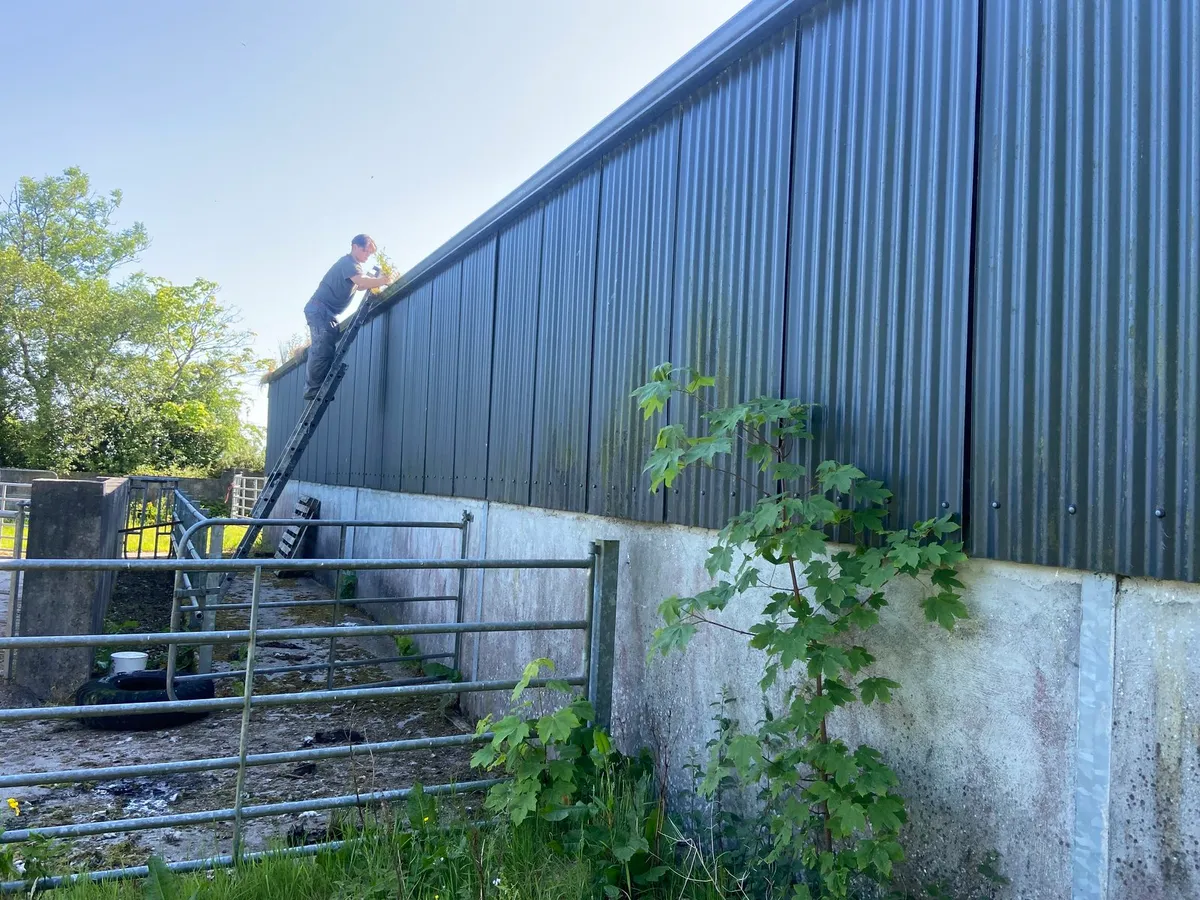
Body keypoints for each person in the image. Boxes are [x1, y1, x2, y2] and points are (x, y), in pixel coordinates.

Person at [303, 234, 395, 400]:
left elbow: (360, 285)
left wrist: (373, 281)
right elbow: (361, 281)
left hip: (325, 311)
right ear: (354, 246)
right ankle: (313, 389)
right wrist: (383, 280)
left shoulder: (354, 267)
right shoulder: (348, 263)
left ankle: (317, 385)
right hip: (319, 309)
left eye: (370, 252)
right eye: (365, 250)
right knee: (321, 346)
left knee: (327, 343)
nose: (367, 254)